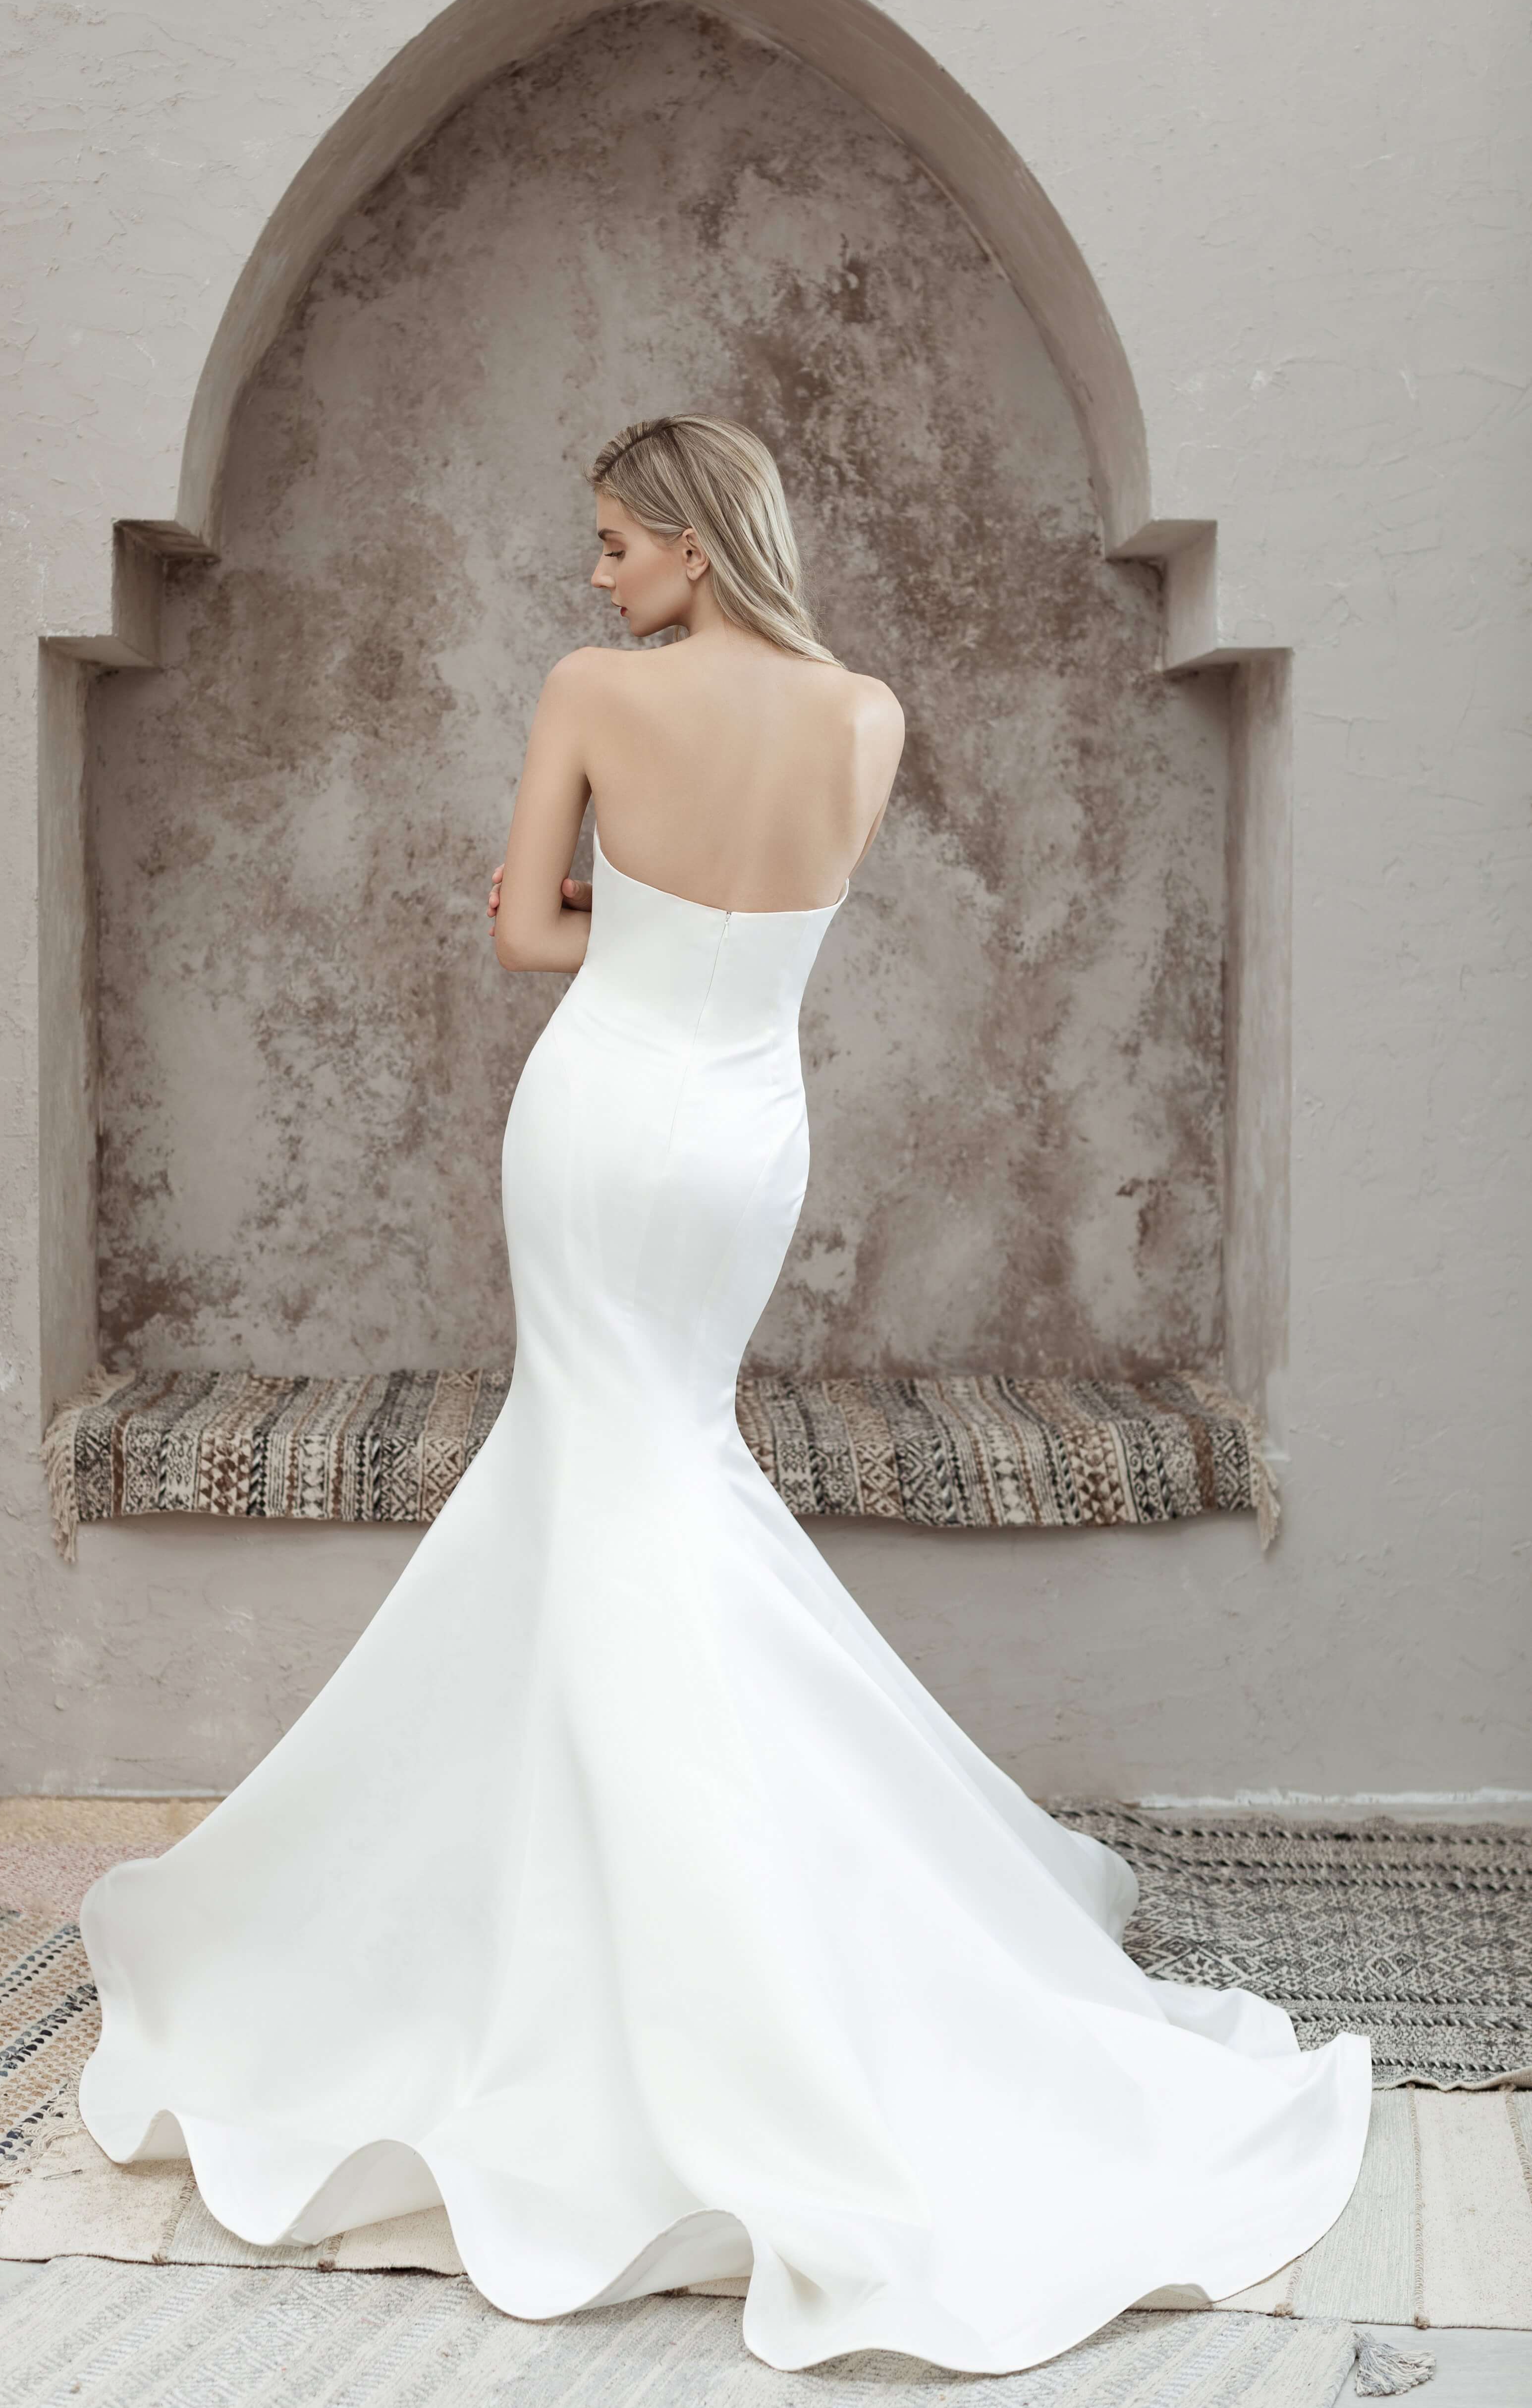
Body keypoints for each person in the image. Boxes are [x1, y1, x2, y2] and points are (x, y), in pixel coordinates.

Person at [77, 415, 1371, 2375]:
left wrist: (619, 918)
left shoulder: (594, 694)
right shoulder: (866, 716)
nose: (596, 574)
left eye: (616, 541)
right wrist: (689, 931)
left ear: (691, 542)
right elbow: (788, 927)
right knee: (646, 1475)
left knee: (611, 1491)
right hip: (748, 1135)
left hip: (604, 1114)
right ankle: (667, 1897)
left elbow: (523, 927)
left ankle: (665, 1956)